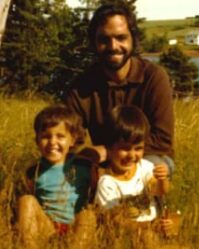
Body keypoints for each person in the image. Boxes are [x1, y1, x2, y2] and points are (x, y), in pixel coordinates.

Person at [64, 2, 175, 177]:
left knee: (150, 170)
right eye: (104, 39)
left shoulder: (154, 77)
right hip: (102, 161)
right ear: (94, 43)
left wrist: (110, 151)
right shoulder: (82, 86)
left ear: (133, 39)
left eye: (121, 37)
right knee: (68, 170)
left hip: (147, 156)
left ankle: (147, 203)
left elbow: (162, 141)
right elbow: (69, 139)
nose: (113, 46)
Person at [17, 104, 98, 249]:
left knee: (88, 216)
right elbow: (30, 209)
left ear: (72, 140)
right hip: (47, 228)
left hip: (75, 227)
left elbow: (96, 192)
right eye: (46, 137)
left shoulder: (84, 166)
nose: (52, 142)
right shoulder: (34, 171)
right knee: (26, 200)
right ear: (37, 140)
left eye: (60, 136)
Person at [94, 105, 174, 248]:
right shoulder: (107, 183)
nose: (132, 155)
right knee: (146, 238)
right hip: (125, 236)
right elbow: (116, 221)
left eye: (138, 148)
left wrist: (163, 179)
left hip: (152, 229)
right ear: (110, 148)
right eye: (125, 148)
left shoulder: (145, 167)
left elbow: (160, 191)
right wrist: (149, 226)